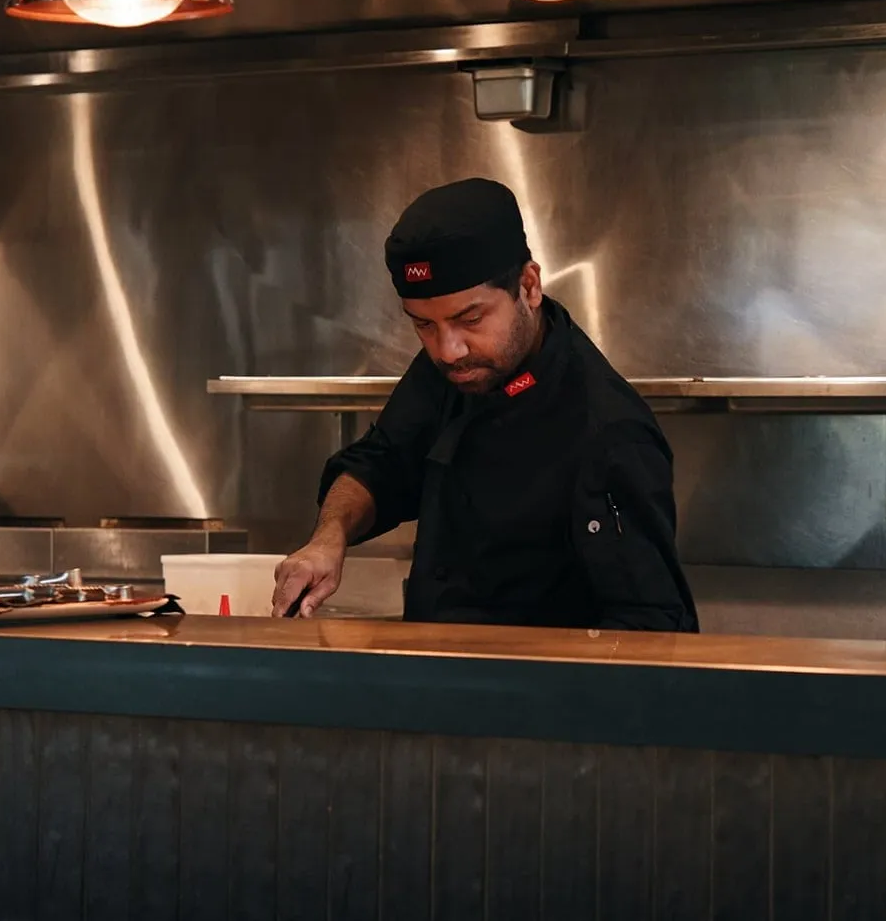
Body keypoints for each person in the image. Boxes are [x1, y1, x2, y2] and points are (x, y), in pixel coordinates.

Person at [269, 178, 699, 631]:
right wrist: (329, 536)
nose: (448, 349)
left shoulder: (609, 432)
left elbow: (651, 630)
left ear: (528, 287)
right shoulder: (456, 367)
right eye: (423, 325)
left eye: (470, 318)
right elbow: (382, 462)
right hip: (432, 663)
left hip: (530, 676)